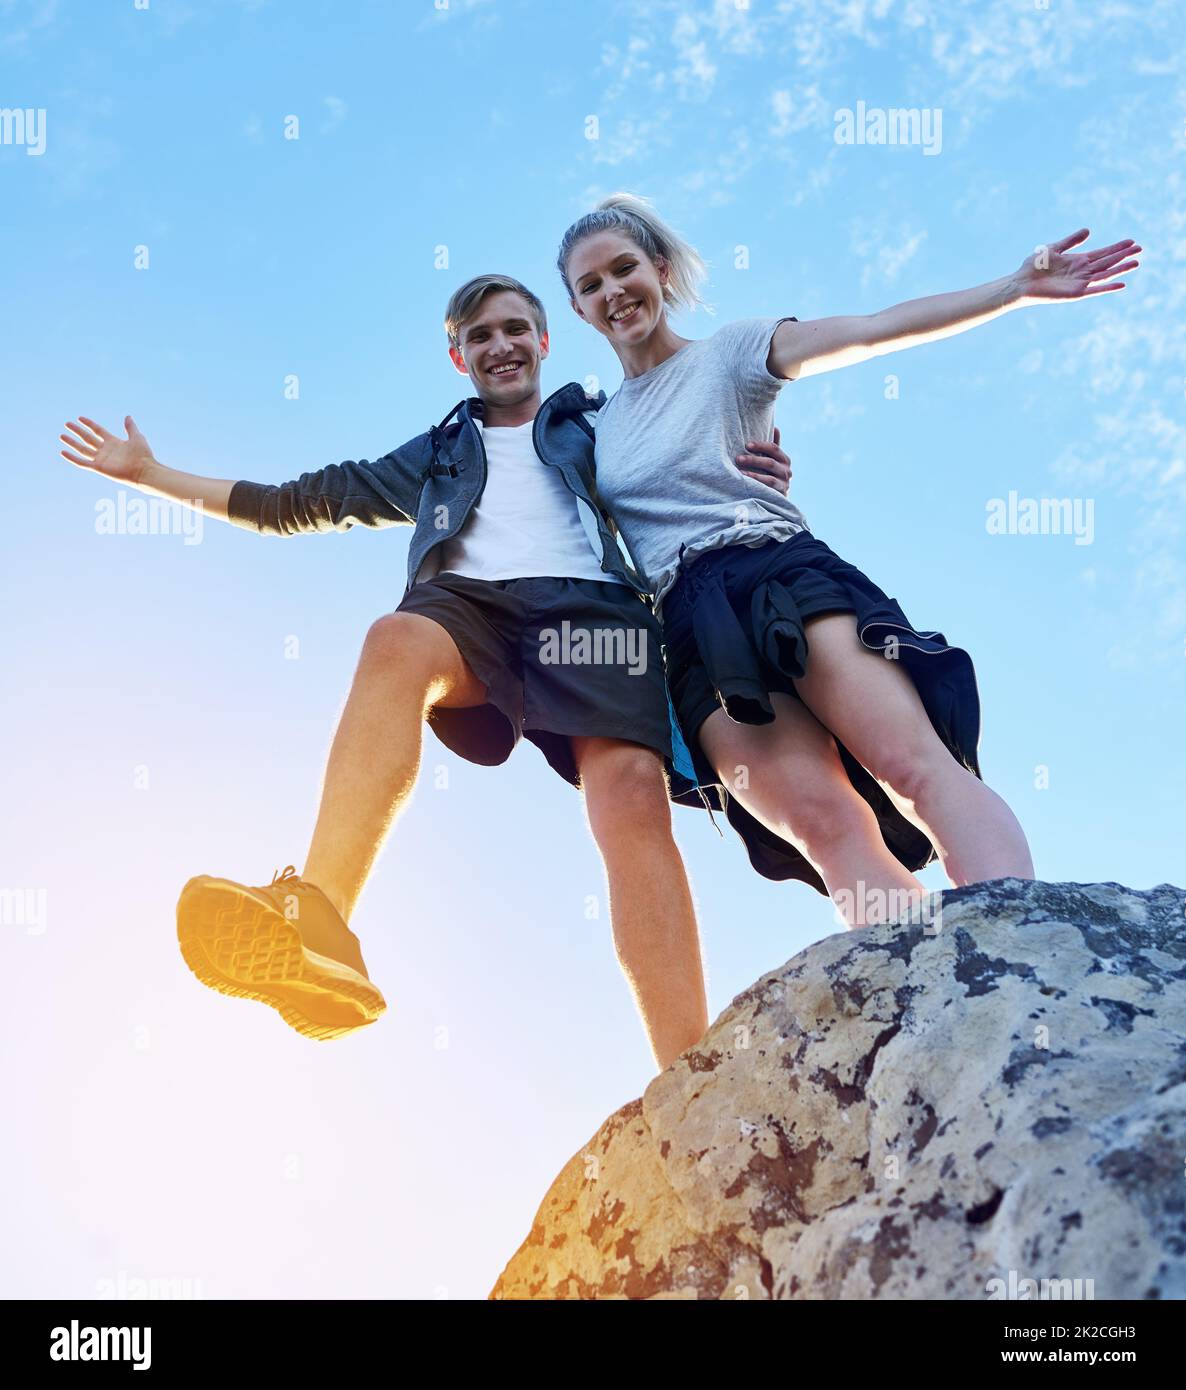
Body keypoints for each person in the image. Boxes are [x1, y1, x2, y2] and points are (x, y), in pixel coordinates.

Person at [58, 273, 793, 1071]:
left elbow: (691, 454)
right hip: (469, 609)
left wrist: (757, 472)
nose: (500, 345)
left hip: (595, 618)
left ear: (544, 341)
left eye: (515, 329)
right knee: (395, 641)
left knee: (632, 805)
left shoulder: (603, 422)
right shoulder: (440, 453)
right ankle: (322, 919)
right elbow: (291, 503)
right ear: (459, 357)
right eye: (479, 336)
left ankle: (687, 1074)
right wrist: (150, 475)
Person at [556, 194, 1141, 927]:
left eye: (625, 268)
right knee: (824, 826)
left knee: (913, 767)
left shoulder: (734, 351)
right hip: (690, 628)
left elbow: (871, 330)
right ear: (578, 310)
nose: (614, 292)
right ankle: (930, 996)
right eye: (592, 285)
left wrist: (1012, 288)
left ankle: (1018, 941)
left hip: (777, 572)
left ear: (660, 269)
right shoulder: (592, 430)